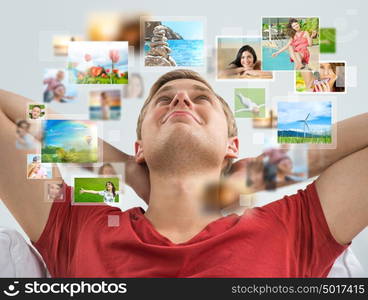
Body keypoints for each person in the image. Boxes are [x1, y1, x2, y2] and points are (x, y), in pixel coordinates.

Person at [0, 70, 367, 277]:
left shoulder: (292, 228)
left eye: (201, 97)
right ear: (140, 146)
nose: (180, 100)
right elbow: (17, 118)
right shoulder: (79, 226)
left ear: (232, 146)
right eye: (164, 99)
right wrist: (124, 166)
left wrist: (263, 172)